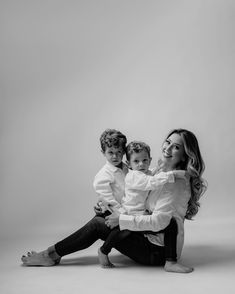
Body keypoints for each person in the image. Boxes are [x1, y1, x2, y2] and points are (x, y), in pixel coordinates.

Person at [21, 128, 207, 273]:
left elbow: (161, 221)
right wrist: (110, 207)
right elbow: (139, 198)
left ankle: (50, 255)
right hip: (148, 236)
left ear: (185, 155)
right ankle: (52, 254)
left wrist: (121, 219)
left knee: (97, 225)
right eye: (168, 142)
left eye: (176, 146)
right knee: (101, 217)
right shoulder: (159, 172)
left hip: (157, 251)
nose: (167, 148)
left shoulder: (174, 182)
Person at [98, 141, 186, 268]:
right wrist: (173, 175)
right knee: (123, 231)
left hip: (140, 211)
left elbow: (153, 174)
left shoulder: (146, 172)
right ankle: (103, 251)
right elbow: (152, 182)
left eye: (145, 160)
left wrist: (161, 167)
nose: (141, 164)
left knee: (170, 224)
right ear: (129, 164)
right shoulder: (134, 176)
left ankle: (171, 260)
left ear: (150, 160)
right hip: (130, 211)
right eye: (136, 161)